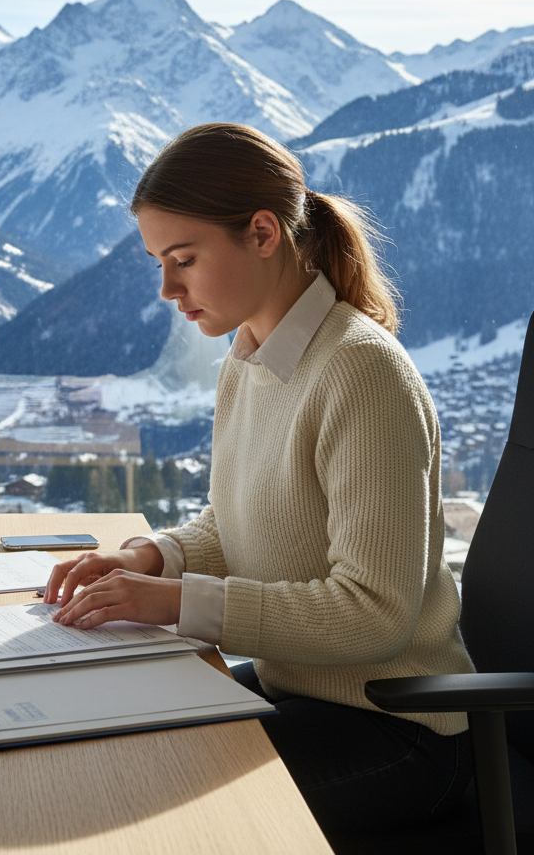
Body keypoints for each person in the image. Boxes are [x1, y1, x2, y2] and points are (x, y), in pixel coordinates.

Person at [43, 122, 475, 835]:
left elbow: (374, 612)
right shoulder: (249, 357)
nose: (165, 288)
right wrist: (153, 558)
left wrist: (175, 602)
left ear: (264, 233)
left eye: (182, 258)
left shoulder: (361, 372)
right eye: (158, 261)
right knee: (108, 740)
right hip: (299, 693)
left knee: (144, 813)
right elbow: (243, 519)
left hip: (399, 730)